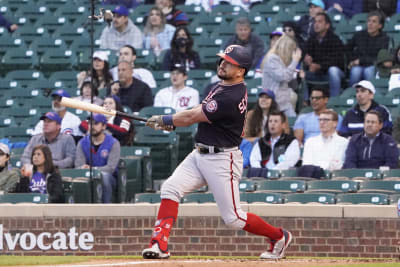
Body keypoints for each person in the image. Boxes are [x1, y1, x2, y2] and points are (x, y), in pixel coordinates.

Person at [142, 45, 292, 260]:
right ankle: (159, 244)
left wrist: (166, 120)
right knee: (170, 189)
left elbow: (192, 118)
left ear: (241, 70)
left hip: (223, 159)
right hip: (200, 154)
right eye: (223, 59)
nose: (223, 63)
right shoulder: (222, 86)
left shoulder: (231, 95)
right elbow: (195, 112)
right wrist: (171, 122)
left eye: (229, 62)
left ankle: (279, 237)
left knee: (233, 219)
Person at [75, 114, 121, 203]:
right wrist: (82, 168)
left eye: (96, 124)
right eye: (90, 124)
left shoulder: (113, 143)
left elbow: (110, 168)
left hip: (110, 179)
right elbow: (78, 166)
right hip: (87, 177)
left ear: (104, 126)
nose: (92, 127)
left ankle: (106, 207)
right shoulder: (82, 142)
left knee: (104, 176)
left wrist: (93, 169)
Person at [304, 12, 345, 98]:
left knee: (333, 70)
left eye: (320, 22)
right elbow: (305, 54)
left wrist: (320, 66)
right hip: (316, 72)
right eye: (315, 22)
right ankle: (305, 102)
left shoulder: (335, 39)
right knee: (301, 73)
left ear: (327, 25)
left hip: (332, 72)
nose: (316, 24)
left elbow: (338, 60)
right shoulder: (311, 39)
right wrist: (306, 60)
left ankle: (334, 101)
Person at [346, 11, 392, 86]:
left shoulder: (384, 39)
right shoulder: (359, 35)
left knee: (368, 71)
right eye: (369, 21)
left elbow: (380, 58)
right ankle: (352, 94)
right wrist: (352, 60)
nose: (370, 24)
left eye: (374, 21)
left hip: (374, 66)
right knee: (355, 71)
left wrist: (360, 61)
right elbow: (347, 49)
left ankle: (371, 94)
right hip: (359, 65)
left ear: (380, 25)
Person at [261, 34, 302, 117]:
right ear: (286, 48)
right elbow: (283, 77)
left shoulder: (281, 61)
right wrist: (295, 61)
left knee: (294, 122)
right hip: (274, 104)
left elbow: (289, 78)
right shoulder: (272, 59)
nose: (292, 54)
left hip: (284, 103)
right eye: (291, 50)